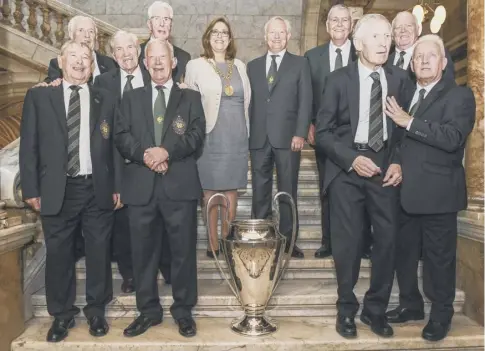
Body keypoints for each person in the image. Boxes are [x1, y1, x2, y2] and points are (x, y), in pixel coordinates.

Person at [315, 14, 411, 339]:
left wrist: (398, 162)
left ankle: (375, 310)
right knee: (348, 243)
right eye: (376, 37)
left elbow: (404, 131)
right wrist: (352, 160)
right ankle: (346, 309)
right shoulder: (338, 79)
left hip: (384, 168)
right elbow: (324, 133)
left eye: (388, 36)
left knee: (387, 240)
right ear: (359, 43)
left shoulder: (399, 79)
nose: (385, 42)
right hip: (347, 167)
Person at [19, 40, 121, 342]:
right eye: (73, 57)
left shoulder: (106, 97)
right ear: (60, 62)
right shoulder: (39, 98)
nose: (79, 62)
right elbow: (29, 147)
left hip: (96, 187)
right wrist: (31, 187)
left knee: (99, 251)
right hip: (57, 188)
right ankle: (61, 315)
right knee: (59, 254)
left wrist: (117, 186)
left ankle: (96, 311)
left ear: (92, 65)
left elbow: (115, 145)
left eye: (85, 58)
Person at [384, 34, 476, 342]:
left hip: (439, 195)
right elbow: (400, 142)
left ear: (443, 62)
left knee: (439, 259)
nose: (423, 61)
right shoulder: (408, 93)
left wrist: (409, 122)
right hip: (406, 192)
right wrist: (396, 162)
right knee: (405, 255)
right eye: (418, 57)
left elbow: (452, 138)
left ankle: (441, 314)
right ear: (411, 64)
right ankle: (410, 305)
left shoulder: (460, 96)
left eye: (430, 56)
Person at [115, 39, 205, 338]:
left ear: (173, 61)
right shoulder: (130, 98)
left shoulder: (190, 98)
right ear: (144, 62)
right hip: (141, 188)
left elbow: (195, 136)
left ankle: (183, 311)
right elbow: (121, 135)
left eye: (162, 57)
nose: (156, 62)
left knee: (182, 253)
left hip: (179, 185)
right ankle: (148, 311)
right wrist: (146, 155)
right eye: (150, 57)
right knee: (143, 254)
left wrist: (165, 151)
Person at [305, 4, 372, 259]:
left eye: (344, 21)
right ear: (326, 26)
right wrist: (309, 124)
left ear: (352, 25)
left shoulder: (361, 55)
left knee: (363, 189)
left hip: (359, 134)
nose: (339, 25)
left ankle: (364, 243)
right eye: (334, 20)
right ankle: (328, 242)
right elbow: (308, 96)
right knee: (327, 188)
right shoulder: (312, 57)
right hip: (325, 136)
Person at [184, 17, 250, 257]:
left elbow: (247, 102)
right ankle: (213, 244)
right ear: (207, 37)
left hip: (237, 136)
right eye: (215, 32)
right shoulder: (196, 65)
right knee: (210, 192)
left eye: (224, 32)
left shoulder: (240, 66)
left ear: (230, 38)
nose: (220, 36)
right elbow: (189, 104)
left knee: (231, 192)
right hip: (210, 135)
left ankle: (226, 239)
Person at [247, 16, 312, 258]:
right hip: (259, 139)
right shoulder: (251, 66)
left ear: (288, 36)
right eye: (272, 33)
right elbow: (249, 103)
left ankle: (288, 241)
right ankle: (261, 236)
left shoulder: (300, 64)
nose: (276, 37)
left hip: (288, 139)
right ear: (265, 37)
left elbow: (306, 101)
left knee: (287, 191)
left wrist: (300, 133)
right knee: (259, 190)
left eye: (281, 33)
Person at [94, 30, 152, 294]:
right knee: (122, 227)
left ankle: (155, 268)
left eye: (130, 47)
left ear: (138, 50)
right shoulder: (103, 83)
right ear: (113, 55)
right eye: (119, 49)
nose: (126, 53)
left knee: (151, 224)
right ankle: (129, 275)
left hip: (150, 163)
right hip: (115, 165)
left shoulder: (154, 76)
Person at [44, 16, 116, 84]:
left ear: (96, 36)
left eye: (91, 31)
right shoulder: (59, 62)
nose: (87, 35)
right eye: (81, 30)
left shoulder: (110, 63)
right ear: (71, 34)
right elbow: (51, 83)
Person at [387, 11, 454, 81]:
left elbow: (447, 84)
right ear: (392, 34)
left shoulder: (438, 54)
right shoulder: (383, 61)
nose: (403, 30)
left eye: (409, 26)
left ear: (418, 30)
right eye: (398, 27)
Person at [139, 1, 190, 83]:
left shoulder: (184, 57)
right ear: (149, 24)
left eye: (166, 19)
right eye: (157, 18)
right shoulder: (136, 53)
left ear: (171, 24)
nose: (162, 24)